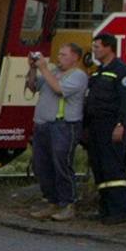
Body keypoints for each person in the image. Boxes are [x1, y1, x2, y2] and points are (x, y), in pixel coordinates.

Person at [26, 44, 89, 222]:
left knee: (61, 164)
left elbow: (59, 90)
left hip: (63, 126)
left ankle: (68, 204)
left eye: (63, 54)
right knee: (42, 165)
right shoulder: (53, 71)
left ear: (75, 57)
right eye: (59, 54)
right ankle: (52, 201)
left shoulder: (78, 75)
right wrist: (32, 69)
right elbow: (33, 87)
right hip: (43, 125)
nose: (59, 57)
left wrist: (44, 68)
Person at [84, 34, 126, 224]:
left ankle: (121, 211)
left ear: (109, 48)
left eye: (97, 47)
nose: (95, 50)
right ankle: (106, 209)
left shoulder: (121, 70)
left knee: (112, 167)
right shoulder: (98, 72)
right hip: (96, 125)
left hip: (111, 124)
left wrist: (120, 124)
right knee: (99, 166)